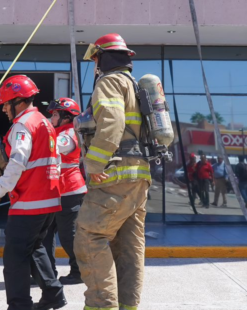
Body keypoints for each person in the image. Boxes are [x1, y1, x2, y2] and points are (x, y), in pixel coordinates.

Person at [74, 33, 151, 310]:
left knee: (90, 236)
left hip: (114, 175)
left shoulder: (109, 82)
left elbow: (112, 123)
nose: (94, 64)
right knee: (129, 249)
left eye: (95, 59)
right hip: (138, 178)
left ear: (101, 57)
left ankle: (101, 306)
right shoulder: (133, 86)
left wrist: (95, 165)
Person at [0, 75, 65, 310]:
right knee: (34, 248)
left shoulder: (22, 125)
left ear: (18, 101)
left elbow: (17, 162)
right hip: (48, 200)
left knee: (15, 258)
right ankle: (53, 294)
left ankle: (19, 305)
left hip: (29, 202)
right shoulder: (44, 122)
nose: (4, 109)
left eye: (6, 104)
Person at [41, 97, 86, 285]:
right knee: (45, 235)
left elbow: (54, 148)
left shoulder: (68, 134)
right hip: (54, 192)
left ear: (67, 117)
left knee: (69, 236)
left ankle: (79, 272)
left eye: (56, 114)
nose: (52, 117)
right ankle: (46, 273)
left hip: (70, 192)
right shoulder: (58, 131)